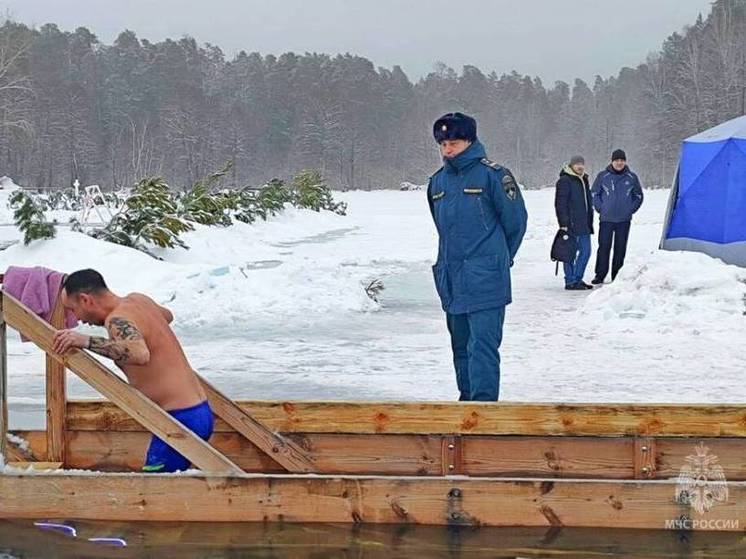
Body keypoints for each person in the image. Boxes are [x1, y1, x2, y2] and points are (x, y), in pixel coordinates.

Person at [52, 269, 212, 473]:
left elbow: (139, 354)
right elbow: (167, 316)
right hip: (199, 410)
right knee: (163, 489)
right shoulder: (138, 300)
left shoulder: (117, 320)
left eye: (72, 310)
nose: (77, 319)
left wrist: (85, 340)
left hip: (181, 419)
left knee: (152, 494)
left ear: (85, 300)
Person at [427, 112, 528, 401]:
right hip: (452, 278)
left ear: (470, 142)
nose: (448, 150)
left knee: (482, 347)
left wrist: (495, 260)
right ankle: (465, 406)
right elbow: (443, 228)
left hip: (486, 279)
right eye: (443, 144)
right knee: (460, 347)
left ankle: (483, 413)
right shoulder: (437, 183)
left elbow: (516, 223)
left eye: (454, 143)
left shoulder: (494, 175)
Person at [591, 149, 644, 284]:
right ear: (612, 161)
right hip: (606, 219)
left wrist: (630, 210)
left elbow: (638, 196)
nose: (619, 163)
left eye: (622, 160)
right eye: (617, 160)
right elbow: (594, 194)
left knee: (620, 248)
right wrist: (600, 208)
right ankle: (600, 275)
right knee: (604, 247)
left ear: (625, 161)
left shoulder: (632, 177)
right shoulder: (603, 176)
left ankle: (617, 275)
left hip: (624, 220)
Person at [555, 155, 594, 291]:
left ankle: (578, 278)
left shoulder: (584, 179)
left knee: (586, 252)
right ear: (571, 165)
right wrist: (564, 223)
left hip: (584, 223)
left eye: (582, 164)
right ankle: (570, 280)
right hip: (571, 224)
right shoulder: (565, 181)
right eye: (577, 164)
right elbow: (560, 203)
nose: (580, 166)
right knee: (570, 252)